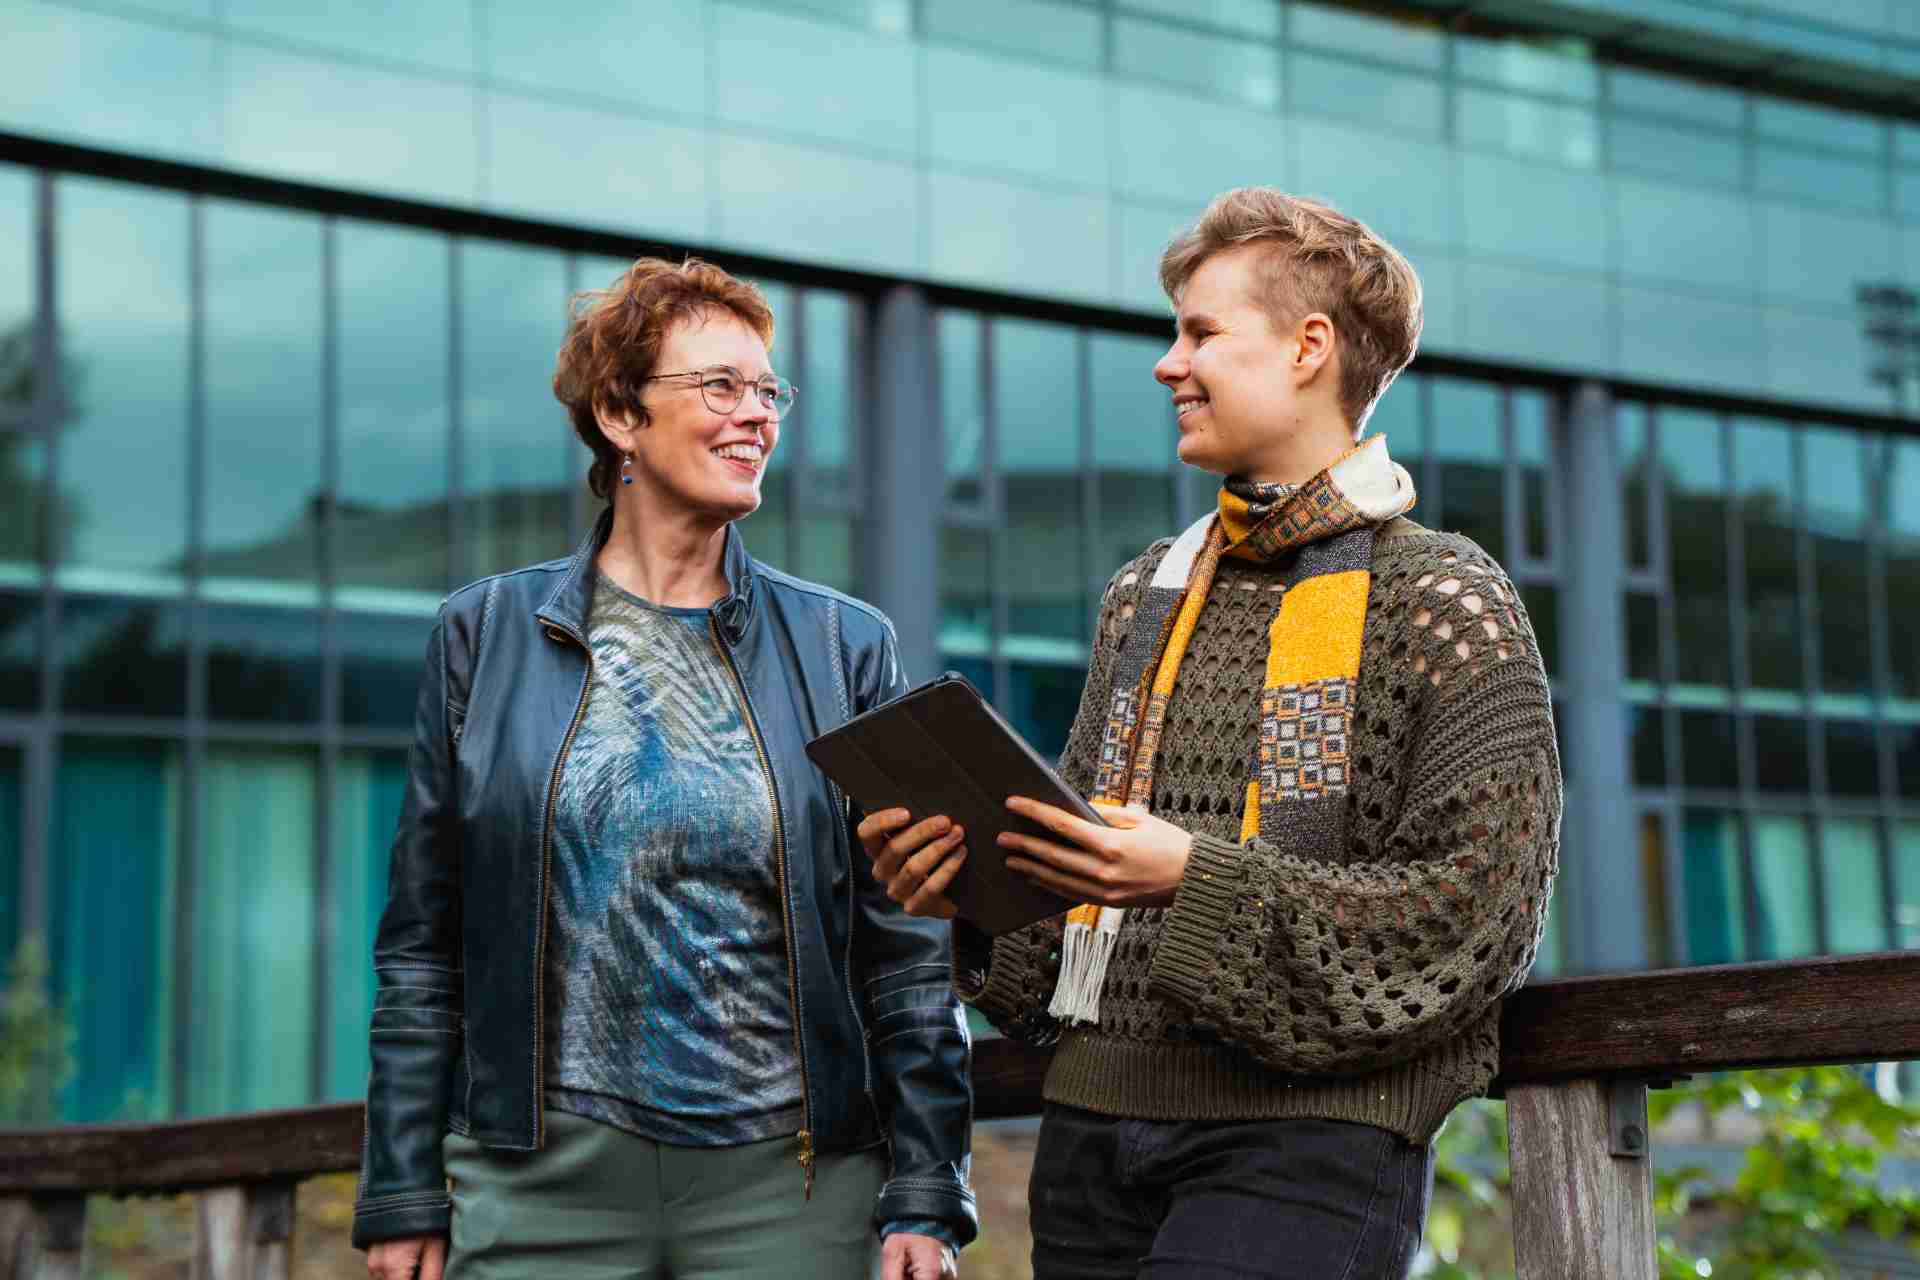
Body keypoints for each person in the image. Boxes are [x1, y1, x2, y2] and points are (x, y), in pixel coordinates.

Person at [863, 188, 1560, 1279]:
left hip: (1311, 1144)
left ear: (1308, 348)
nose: (1166, 363)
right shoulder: (1143, 593)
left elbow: (1476, 916)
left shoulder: (1445, 598)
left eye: (1199, 332)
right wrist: (968, 893)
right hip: (1091, 1132)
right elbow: (1074, 906)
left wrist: (1192, 877)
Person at [354, 257, 974, 1280]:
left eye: (768, 390)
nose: (756, 416)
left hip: (791, 1185)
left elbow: (905, 945)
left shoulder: (843, 646)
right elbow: (425, 942)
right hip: (537, 1180)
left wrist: (925, 1186)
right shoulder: (486, 634)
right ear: (618, 413)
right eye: (719, 386)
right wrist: (404, 1185)